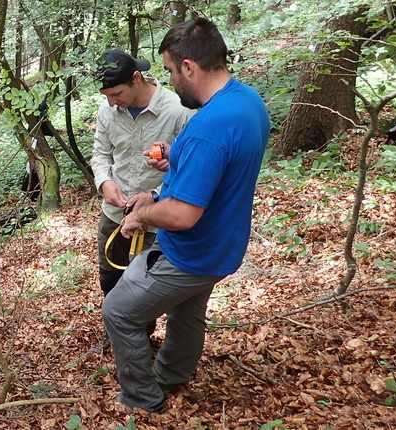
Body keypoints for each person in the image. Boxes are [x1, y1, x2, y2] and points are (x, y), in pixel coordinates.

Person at [102, 18, 270, 414]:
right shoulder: (247, 102)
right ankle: (172, 375)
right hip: (223, 246)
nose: (172, 82)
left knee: (118, 311)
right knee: (188, 312)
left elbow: (181, 215)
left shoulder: (206, 127)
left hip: (191, 251)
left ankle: (143, 399)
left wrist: (142, 215)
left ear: (189, 67)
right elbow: (217, 173)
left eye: (171, 72)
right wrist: (171, 169)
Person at [90, 49, 194, 336]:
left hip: (156, 220)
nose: (112, 102)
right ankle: (119, 338)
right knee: (111, 279)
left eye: (117, 93)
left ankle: (141, 341)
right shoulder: (108, 110)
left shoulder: (177, 111)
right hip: (114, 215)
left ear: (136, 78)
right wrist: (104, 182)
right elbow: (100, 154)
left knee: (145, 288)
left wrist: (156, 193)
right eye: (106, 95)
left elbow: (192, 167)